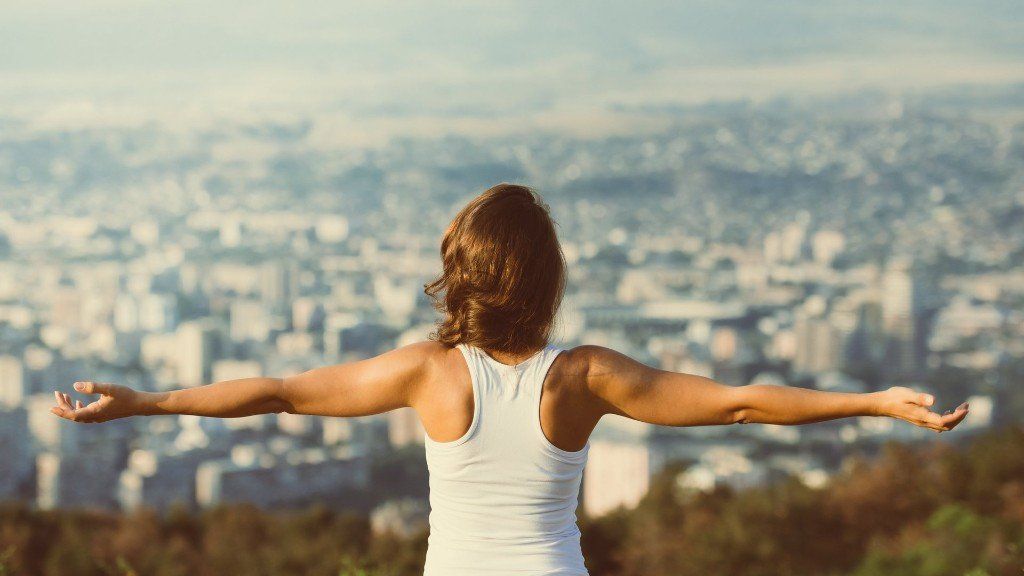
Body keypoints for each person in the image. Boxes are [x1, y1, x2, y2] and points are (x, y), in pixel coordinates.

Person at [50, 183, 969, 575]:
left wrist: (151, 402)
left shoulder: (425, 373)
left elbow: (280, 391)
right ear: (546, 276)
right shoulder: (584, 377)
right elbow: (740, 400)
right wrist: (872, 401)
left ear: (462, 273)